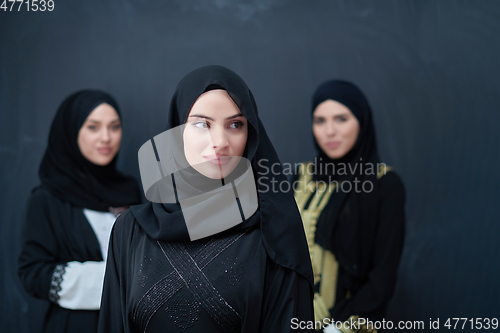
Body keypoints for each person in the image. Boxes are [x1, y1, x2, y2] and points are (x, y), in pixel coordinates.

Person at [97, 65, 314, 333]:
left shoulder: (274, 230)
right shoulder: (130, 231)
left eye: (235, 124)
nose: (220, 141)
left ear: (251, 135)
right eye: (202, 124)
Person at [18, 90, 141, 333]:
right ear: (71, 131)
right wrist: (114, 280)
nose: (106, 137)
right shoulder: (47, 199)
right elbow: (33, 274)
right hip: (75, 325)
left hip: (128, 324)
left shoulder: (130, 191)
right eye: (93, 127)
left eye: (114, 127)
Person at [293, 80, 405, 331]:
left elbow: (382, 277)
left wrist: (336, 329)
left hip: (349, 324)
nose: (329, 131)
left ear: (362, 121)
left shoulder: (384, 184)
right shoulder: (302, 176)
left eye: (341, 119)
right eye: (320, 121)